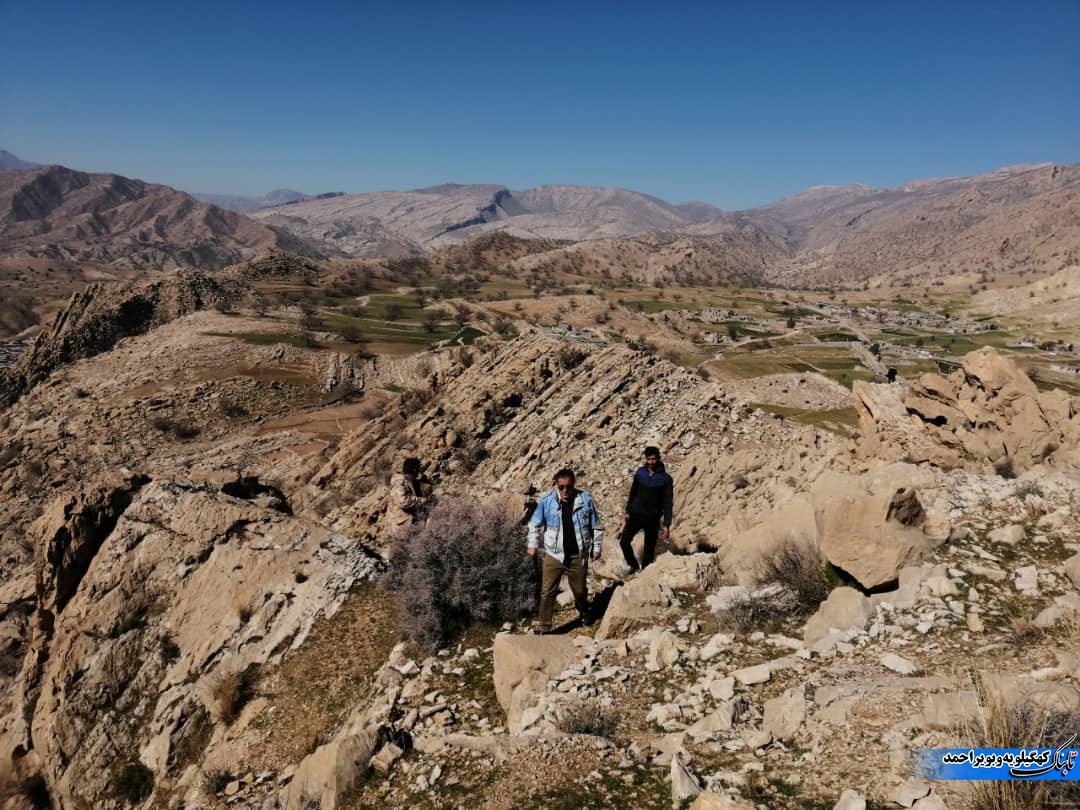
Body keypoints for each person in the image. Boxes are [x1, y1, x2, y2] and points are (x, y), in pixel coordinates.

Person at [527, 468, 604, 632]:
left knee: (580, 590)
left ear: (573, 485)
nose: (565, 491)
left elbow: (596, 527)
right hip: (553, 555)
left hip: (578, 555)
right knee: (547, 591)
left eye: (568, 487)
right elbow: (534, 525)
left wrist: (596, 547)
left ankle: (584, 611)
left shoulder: (585, 499)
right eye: (561, 487)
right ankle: (544, 626)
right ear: (556, 484)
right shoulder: (547, 501)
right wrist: (532, 544)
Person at [619, 446, 674, 574]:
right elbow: (633, 492)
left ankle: (644, 574)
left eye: (654, 459)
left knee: (649, 550)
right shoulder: (640, 473)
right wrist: (628, 510)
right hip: (636, 514)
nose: (651, 462)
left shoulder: (665, 479)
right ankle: (633, 566)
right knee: (624, 542)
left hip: (653, 518)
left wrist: (666, 524)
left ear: (659, 458)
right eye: (649, 459)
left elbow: (668, 502)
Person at [385, 457, 429, 539]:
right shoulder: (399, 482)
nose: (418, 473)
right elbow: (403, 502)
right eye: (417, 470)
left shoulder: (407, 479)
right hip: (401, 525)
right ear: (414, 471)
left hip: (404, 523)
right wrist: (422, 500)